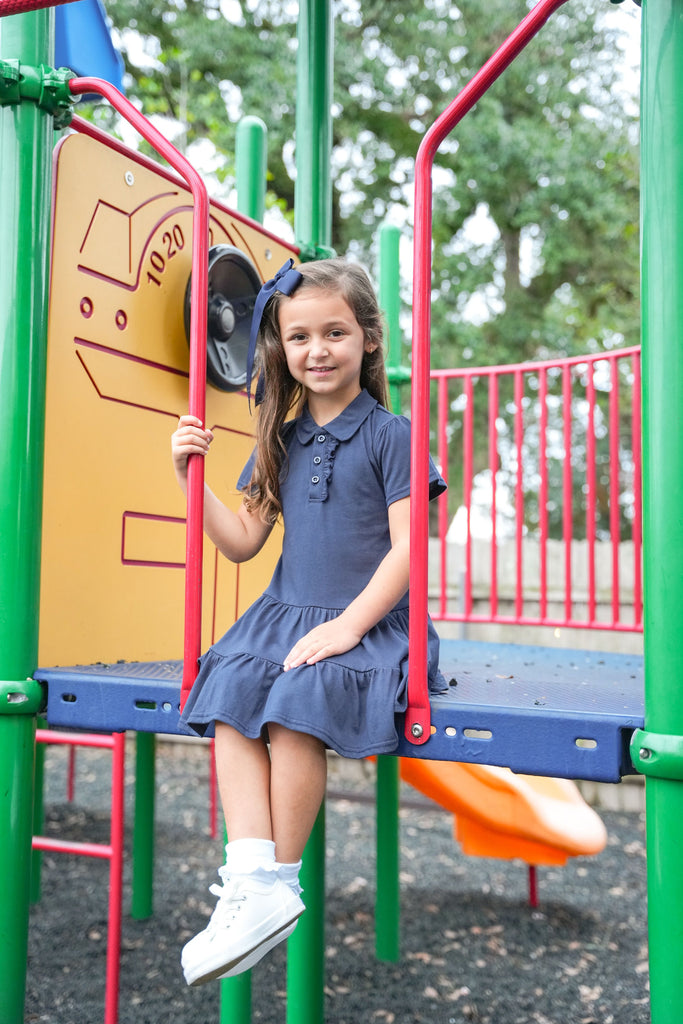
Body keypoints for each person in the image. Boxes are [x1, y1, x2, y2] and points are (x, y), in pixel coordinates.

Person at [171, 256, 446, 987]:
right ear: (280, 350)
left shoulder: (393, 435)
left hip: (373, 618)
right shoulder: (280, 439)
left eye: (334, 332)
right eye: (299, 337)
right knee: (225, 692)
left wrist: (351, 626)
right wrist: (190, 481)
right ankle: (251, 878)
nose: (316, 350)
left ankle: (278, 883)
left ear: (367, 341)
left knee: (296, 700)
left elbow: (408, 550)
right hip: (285, 611)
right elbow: (240, 544)